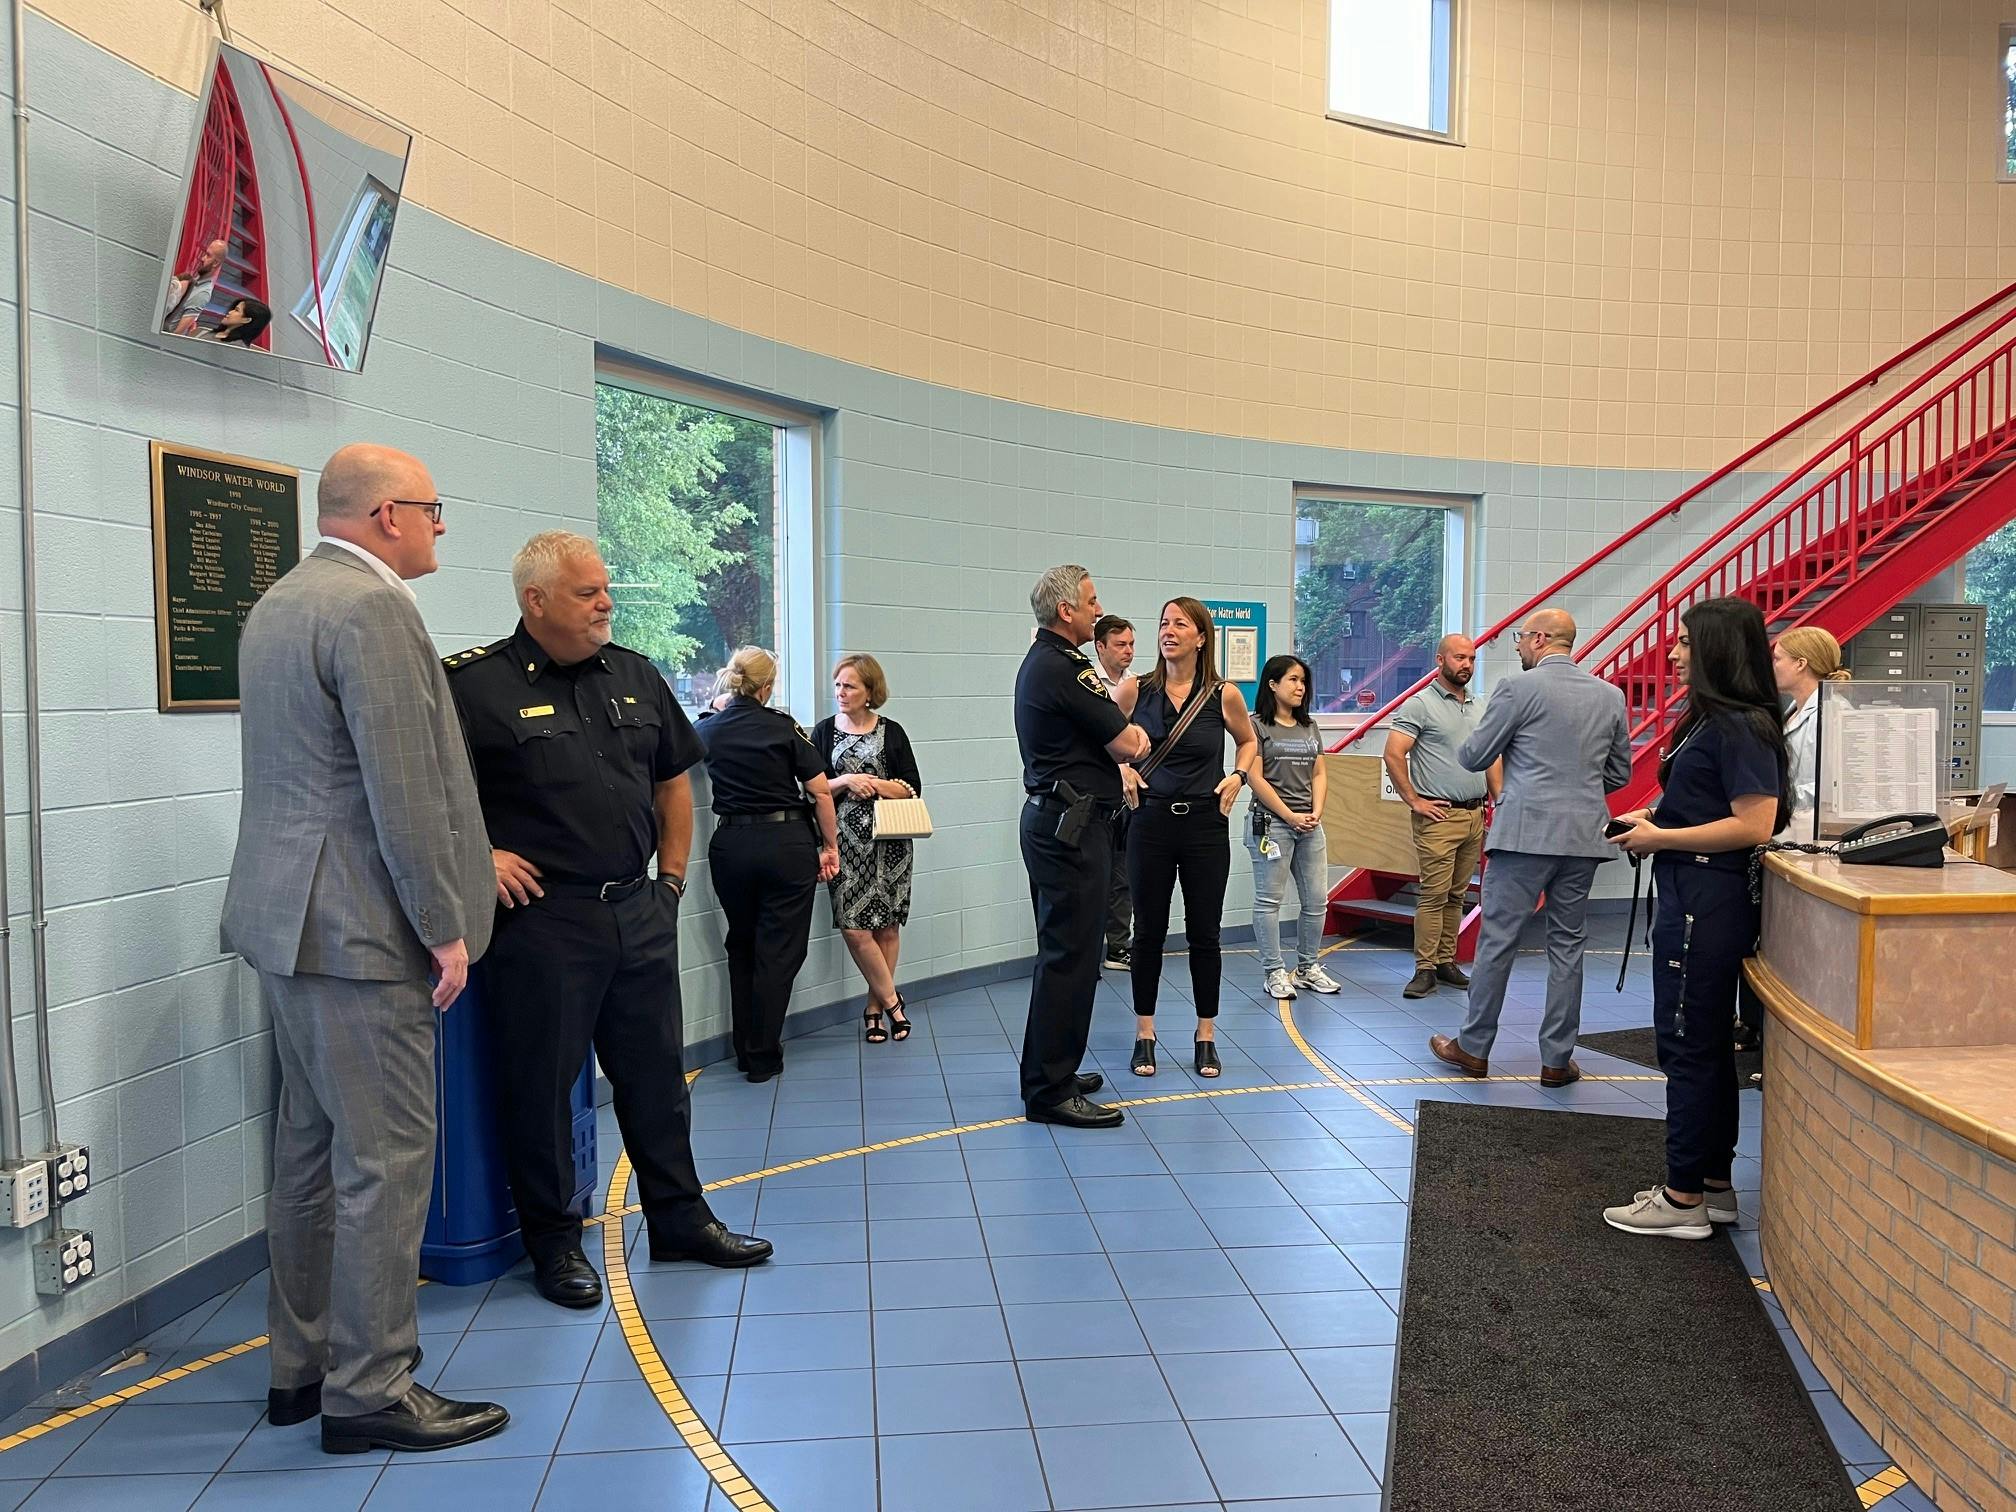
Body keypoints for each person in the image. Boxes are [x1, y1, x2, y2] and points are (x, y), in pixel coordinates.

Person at [219, 444, 507, 1454]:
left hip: (287, 925)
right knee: (386, 1162)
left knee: (307, 1155)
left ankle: (301, 1369)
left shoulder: (282, 602)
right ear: (389, 515)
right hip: (359, 933)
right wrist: (445, 927)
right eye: (433, 509)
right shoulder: (374, 610)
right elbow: (405, 790)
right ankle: (373, 1388)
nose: (439, 526)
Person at [444, 532, 772, 1309]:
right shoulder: (471, 685)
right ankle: (555, 1245)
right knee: (544, 1090)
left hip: (637, 909)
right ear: (536, 600)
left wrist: (670, 882)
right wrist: (480, 855)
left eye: (605, 589)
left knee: (658, 1080)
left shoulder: (634, 673)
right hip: (542, 923)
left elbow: (674, 785)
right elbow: (430, 795)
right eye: (588, 591)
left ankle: (680, 1219)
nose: (606, 603)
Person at [1604, 597, 1788, 1238]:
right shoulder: (1710, 723)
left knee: (1686, 1046)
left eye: (1684, 643)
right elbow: (1709, 804)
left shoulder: (1740, 726)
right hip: (1694, 896)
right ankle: (1711, 1184)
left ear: (1715, 650)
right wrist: (1659, 821)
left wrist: (1662, 840)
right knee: (1703, 1047)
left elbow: (1753, 823)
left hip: (1706, 905)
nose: (1675, 653)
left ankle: (1682, 1201)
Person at [1428, 608, 1632, 1087]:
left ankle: (1474, 1049)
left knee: (1498, 942)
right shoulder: (1610, 695)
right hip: (1583, 839)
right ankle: (1557, 1061)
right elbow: (1619, 773)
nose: (1518, 646)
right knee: (1568, 947)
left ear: (1539, 639)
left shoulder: (1517, 689)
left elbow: (1474, 755)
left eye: (1520, 638)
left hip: (1523, 837)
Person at [1015, 565, 1150, 1127]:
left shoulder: (1048, 662)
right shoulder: (1063, 668)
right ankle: (1049, 1091)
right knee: (1071, 958)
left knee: (1070, 955)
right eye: (1092, 602)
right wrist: (1130, 736)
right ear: (1066, 611)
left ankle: (1054, 1069)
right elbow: (1129, 741)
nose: (1099, 610)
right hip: (1069, 828)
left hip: (1063, 822)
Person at [1114, 597, 1261, 1079]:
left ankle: (1205, 1034)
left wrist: (1238, 776)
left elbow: (1249, 740)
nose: (1168, 630)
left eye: (1180, 623)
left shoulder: (1224, 695)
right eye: (1163, 623)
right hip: (1150, 823)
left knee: (1205, 933)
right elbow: (1100, 739)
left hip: (1204, 825)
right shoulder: (1134, 690)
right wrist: (1122, 769)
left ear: (1201, 637)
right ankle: (1145, 1032)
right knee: (1149, 932)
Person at [696, 647, 841, 1082]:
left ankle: (745, 1049)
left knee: (742, 944)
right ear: (767, 687)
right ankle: (762, 1055)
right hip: (786, 844)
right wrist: (830, 846)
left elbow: (682, 743)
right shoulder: (783, 728)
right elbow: (820, 793)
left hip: (731, 846)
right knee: (779, 951)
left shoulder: (710, 729)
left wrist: (716, 708)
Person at [812, 654, 924, 1043]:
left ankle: (874, 1008)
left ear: (870, 692)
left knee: (887, 927)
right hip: (842, 843)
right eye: (838, 685)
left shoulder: (892, 732)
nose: (841, 693)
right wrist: (846, 780)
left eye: (850, 686)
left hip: (889, 845)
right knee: (855, 928)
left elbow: (911, 787)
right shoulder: (824, 732)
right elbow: (814, 786)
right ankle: (894, 1003)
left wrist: (874, 784)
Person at [1383, 634, 1501, 999]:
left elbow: (1492, 757)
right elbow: (1393, 754)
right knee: (1433, 894)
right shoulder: (1420, 705)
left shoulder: (1481, 706)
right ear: (1440, 660)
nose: (1466, 665)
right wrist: (1415, 801)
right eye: (1459, 658)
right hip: (1438, 816)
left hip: (1473, 814)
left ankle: (1446, 961)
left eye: (1471, 659)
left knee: (1457, 893)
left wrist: (1500, 801)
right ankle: (1424, 968)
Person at [1243, 654, 1341, 1002]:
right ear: (1272, 684)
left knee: (1317, 900)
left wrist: (1315, 812)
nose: (1301, 687)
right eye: (1293, 680)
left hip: (1309, 825)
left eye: (1303, 681)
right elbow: (1254, 777)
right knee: (1269, 900)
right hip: (1272, 823)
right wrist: (1289, 815)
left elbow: (1319, 772)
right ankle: (1273, 972)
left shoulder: (1310, 727)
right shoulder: (1256, 726)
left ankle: (1307, 968)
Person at [1772, 626, 1848, 839]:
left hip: (1808, 830)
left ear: (1800, 664)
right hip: (1789, 824)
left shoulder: (1833, 712)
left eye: (1777, 659)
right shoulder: (1794, 710)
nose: (1773, 666)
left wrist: (1775, 798)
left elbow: (1833, 786)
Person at [1091, 615, 1137, 972]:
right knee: (1093, 875)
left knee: (1123, 875)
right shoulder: (1089, 686)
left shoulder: (1138, 687)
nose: (1128, 652)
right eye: (1120, 645)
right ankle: (1088, 952)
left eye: (1132, 645)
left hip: (1132, 796)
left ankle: (1119, 947)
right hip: (1098, 792)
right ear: (1100, 646)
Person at [164, 239, 227, 334]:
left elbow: (178, 333)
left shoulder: (203, 294)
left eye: (208, 255)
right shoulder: (196, 280)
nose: (202, 258)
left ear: (215, 263)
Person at [204, 296, 272, 345]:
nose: (230, 312)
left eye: (236, 310)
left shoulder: (236, 348)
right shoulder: (207, 331)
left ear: (246, 320)